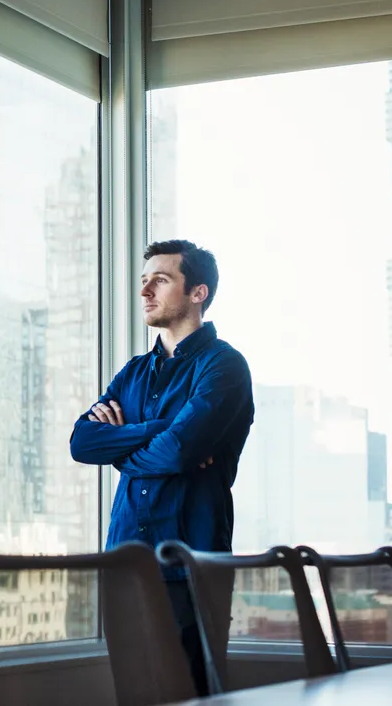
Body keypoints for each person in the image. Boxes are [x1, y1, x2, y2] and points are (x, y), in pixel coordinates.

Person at [69, 239, 254, 696]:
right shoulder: (132, 372)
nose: (145, 291)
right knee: (132, 693)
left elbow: (177, 452)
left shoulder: (225, 366)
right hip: (125, 562)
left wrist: (127, 444)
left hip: (193, 564)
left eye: (161, 279)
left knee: (191, 693)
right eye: (143, 280)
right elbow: (82, 441)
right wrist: (165, 428)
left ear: (198, 293)